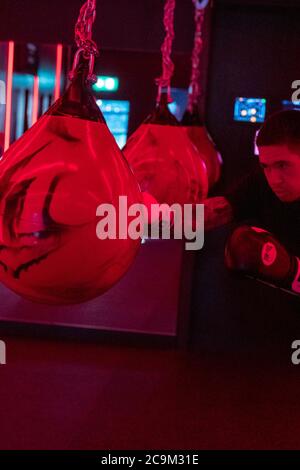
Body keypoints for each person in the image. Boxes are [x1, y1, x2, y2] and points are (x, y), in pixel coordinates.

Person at [204, 109, 300, 294]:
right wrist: (148, 218)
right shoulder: (262, 183)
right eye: (266, 167)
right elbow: (215, 212)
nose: (274, 179)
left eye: (282, 165)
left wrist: (291, 270)